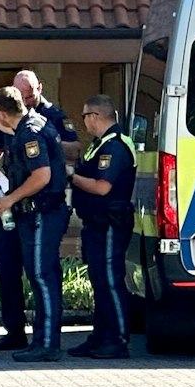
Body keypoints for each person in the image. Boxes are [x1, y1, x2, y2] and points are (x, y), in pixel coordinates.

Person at [0, 69, 79, 350]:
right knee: (19, 266)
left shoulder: (32, 130)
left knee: (42, 275)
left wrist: (10, 199)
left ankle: (46, 344)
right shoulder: (29, 123)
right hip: (27, 210)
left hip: (42, 209)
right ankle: (27, 337)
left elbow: (42, 175)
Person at [68, 94, 137, 359]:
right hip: (96, 223)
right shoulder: (100, 145)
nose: (84, 121)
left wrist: (72, 177)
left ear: (95, 116)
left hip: (110, 223)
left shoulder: (115, 146)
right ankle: (99, 337)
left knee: (110, 281)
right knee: (99, 281)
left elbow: (101, 187)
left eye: (85, 116)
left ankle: (118, 340)